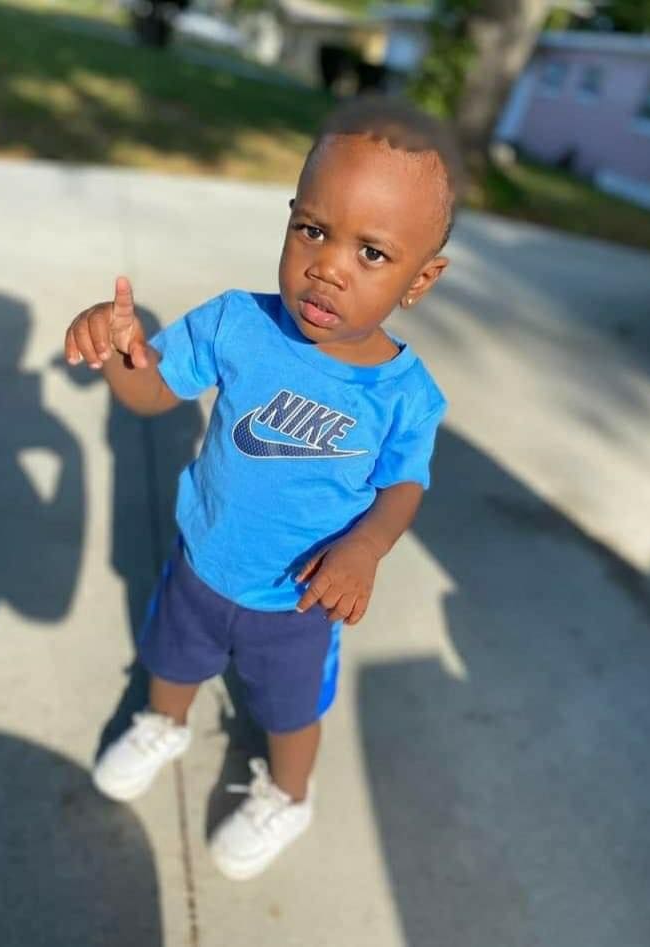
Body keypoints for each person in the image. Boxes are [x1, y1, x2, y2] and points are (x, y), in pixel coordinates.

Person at [64, 97, 453, 880]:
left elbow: (403, 486)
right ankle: (164, 721)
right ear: (290, 219)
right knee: (172, 657)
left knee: (290, 709)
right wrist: (118, 349)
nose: (328, 266)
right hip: (204, 559)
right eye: (312, 229)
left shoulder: (405, 396)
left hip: (298, 599)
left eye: (371, 252)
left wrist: (365, 548)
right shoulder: (238, 323)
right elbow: (152, 393)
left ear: (420, 279)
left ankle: (290, 792)